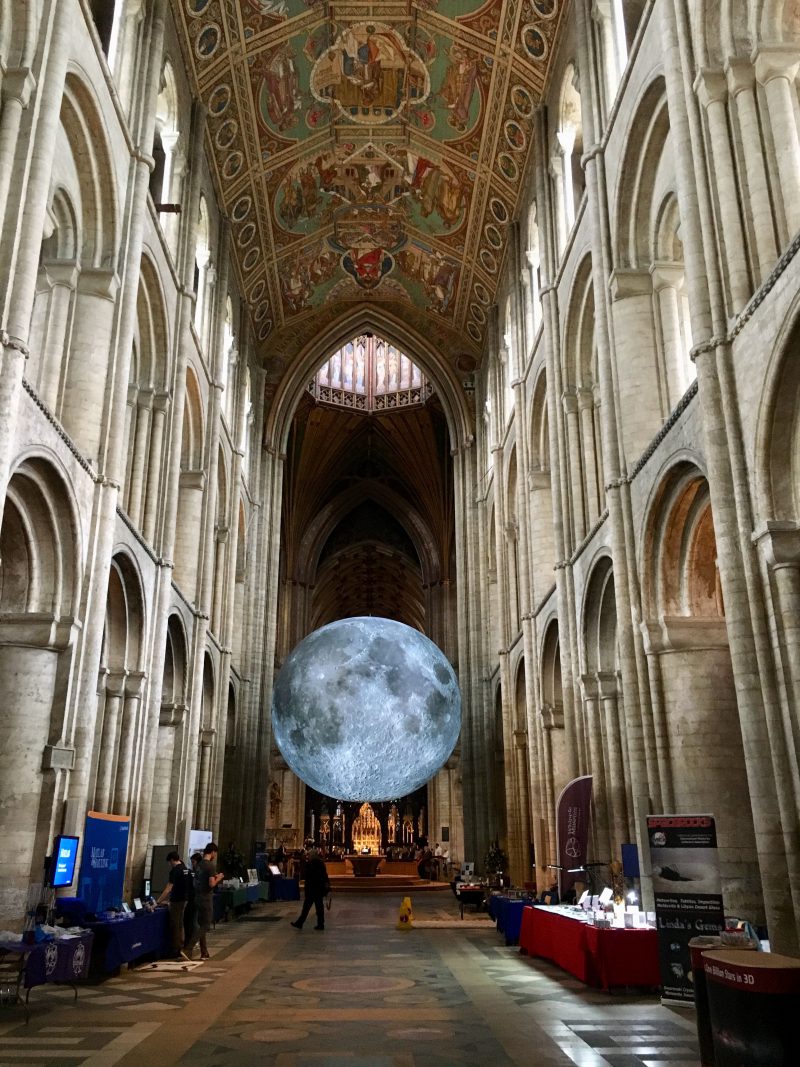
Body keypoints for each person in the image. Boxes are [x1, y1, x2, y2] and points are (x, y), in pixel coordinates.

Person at [183, 842, 224, 960]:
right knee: (206, 925)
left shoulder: (200, 864)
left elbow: (199, 880)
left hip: (197, 897)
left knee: (201, 925)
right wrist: (219, 878)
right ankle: (188, 949)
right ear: (212, 852)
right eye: (215, 853)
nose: (215, 856)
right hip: (206, 898)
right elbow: (211, 883)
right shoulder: (210, 866)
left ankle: (204, 951)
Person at [156, 850, 193, 958]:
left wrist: (158, 901)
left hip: (177, 900)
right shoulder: (185, 868)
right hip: (185, 899)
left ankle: (176, 949)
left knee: (175, 924)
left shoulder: (175, 871)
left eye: (169, 862)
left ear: (172, 860)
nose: (169, 864)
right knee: (180, 923)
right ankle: (181, 945)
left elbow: (168, 888)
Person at [291, 848, 329, 931]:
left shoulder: (311, 863)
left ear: (313, 855)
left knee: (307, 907)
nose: (308, 856)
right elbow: (325, 875)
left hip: (312, 889)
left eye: (309, 855)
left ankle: (301, 923)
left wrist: (305, 862)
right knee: (318, 907)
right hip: (318, 888)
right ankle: (320, 923)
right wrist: (326, 886)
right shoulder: (321, 862)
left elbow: (306, 874)